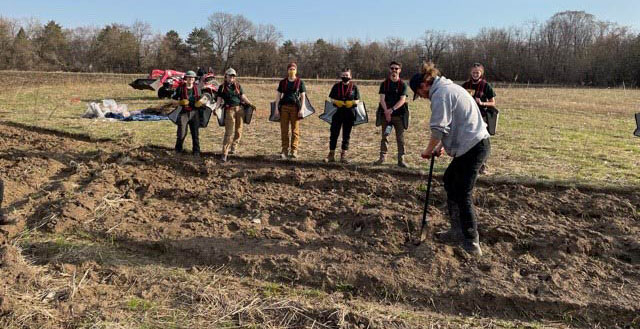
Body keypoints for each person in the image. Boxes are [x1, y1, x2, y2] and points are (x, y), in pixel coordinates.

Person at [410, 61, 491, 257]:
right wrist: (440, 147)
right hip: (469, 145)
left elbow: (438, 128)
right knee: (450, 180)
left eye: (419, 94)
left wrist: (428, 150)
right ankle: (456, 230)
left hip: (474, 147)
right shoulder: (447, 88)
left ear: (424, 85)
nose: (422, 98)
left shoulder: (441, 95)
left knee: (463, 192)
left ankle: (472, 242)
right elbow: (452, 123)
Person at [461, 63, 496, 174]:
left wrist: (482, 103)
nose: (475, 74)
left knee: (481, 142)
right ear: (471, 73)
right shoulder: (465, 85)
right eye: (474, 72)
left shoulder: (486, 86)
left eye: (478, 72)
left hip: (481, 117)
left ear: (481, 73)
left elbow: (493, 102)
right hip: (467, 118)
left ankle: (482, 166)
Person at [374, 61, 410, 167]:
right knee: (385, 136)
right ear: (389, 70)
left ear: (400, 70)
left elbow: (402, 100)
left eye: (396, 68)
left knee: (400, 138)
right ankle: (382, 158)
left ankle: (401, 160)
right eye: (392, 68)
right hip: (386, 116)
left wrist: (392, 110)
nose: (394, 70)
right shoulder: (384, 84)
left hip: (399, 116)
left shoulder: (403, 84)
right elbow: (382, 99)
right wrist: (386, 112)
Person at [215, 68, 253, 162]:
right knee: (229, 132)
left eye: (233, 76)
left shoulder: (238, 86)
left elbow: (242, 96)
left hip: (240, 109)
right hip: (229, 110)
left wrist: (250, 103)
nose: (231, 78)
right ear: (226, 76)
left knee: (239, 130)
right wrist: (216, 108)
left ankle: (234, 147)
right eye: (230, 76)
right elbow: (219, 99)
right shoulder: (222, 87)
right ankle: (224, 153)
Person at [326, 68, 361, 163]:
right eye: (343, 75)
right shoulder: (336, 86)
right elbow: (331, 99)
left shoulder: (354, 87)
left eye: (347, 75)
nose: (345, 77)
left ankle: (343, 156)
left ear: (350, 76)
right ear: (341, 76)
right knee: (334, 134)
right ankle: (331, 155)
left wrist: (353, 102)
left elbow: (358, 100)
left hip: (349, 114)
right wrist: (337, 102)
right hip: (337, 113)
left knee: (346, 135)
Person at [274, 62, 307, 159]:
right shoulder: (283, 82)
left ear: (296, 70)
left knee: (295, 130)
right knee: (284, 130)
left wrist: (302, 108)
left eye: (293, 69)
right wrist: (276, 108)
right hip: (284, 108)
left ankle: (294, 150)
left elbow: (303, 96)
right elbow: (278, 96)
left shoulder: (300, 82)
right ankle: (284, 150)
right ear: (287, 70)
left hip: (295, 108)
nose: (292, 71)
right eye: (290, 69)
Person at [172, 70, 202, 156]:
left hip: (194, 113)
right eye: (189, 77)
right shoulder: (180, 88)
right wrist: (180, 102)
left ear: (194, 79)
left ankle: (196, 151)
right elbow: (173, 100)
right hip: (183, 113)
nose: (191, 79)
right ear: (186, 78)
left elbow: (203, 99)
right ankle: (178, 150)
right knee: (181, 133)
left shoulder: (198, 89)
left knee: (195, 133)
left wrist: (200, 103)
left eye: (192, 78)